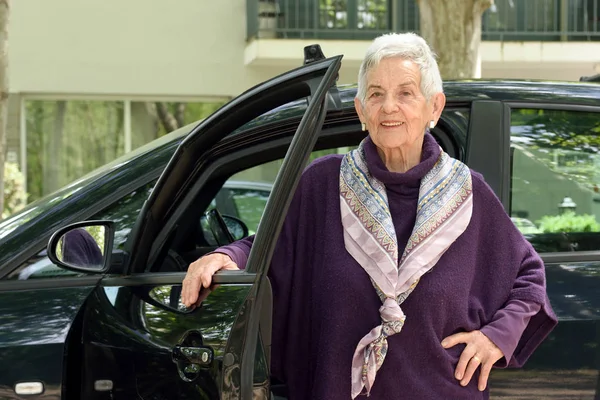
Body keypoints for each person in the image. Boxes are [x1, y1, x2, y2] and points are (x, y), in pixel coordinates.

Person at [181, 32, 557, 399]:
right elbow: (270, 247)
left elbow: (529, 276)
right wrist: (224, 257)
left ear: (434, 107)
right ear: (362, 110)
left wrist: (497, 337)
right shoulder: (324, 183)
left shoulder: (468, 192)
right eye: (376, 94)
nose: (388, 107)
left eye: (405, 93)